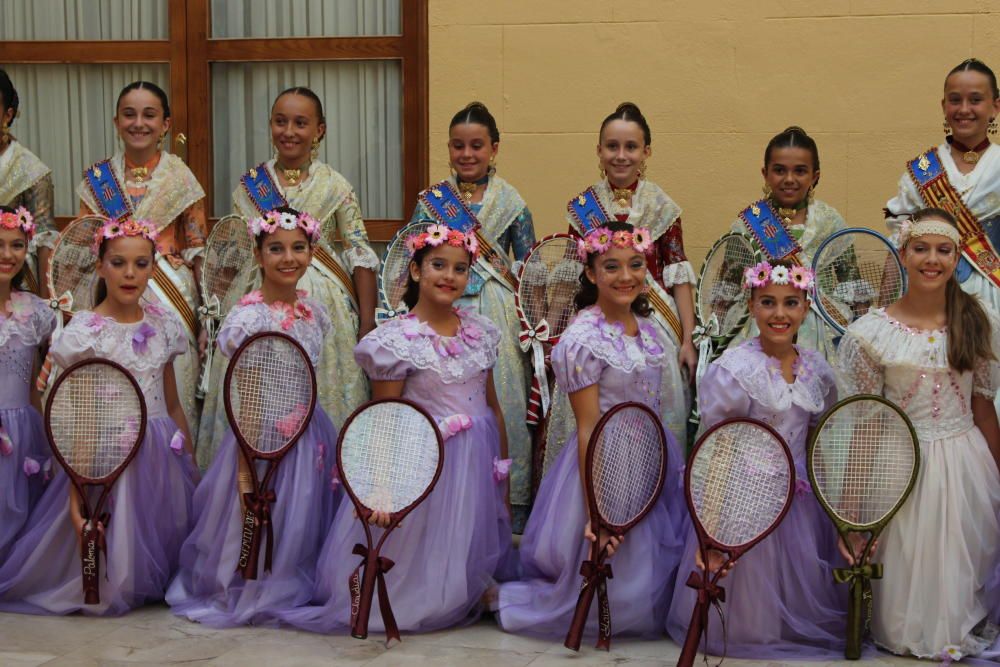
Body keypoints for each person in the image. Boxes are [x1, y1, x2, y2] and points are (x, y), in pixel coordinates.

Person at [279, 221, 514, 633]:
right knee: (418, 539)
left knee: (461, 531)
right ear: (417, 271)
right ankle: (422, 594)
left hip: (475, 457)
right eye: (438, 265)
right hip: (423, 458)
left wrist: (503, 474)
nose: (449, 276)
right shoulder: (397, 340)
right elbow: (383, 417)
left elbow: (492, 407)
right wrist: (381, 489)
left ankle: (460, 588)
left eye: (460, 269)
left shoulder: (481, 333)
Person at [497, 219, 686, 640]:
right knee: (606, 550)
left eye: (635, 265)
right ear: (590, 273)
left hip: (650, 454)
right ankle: (602, 611)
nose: (625, 277)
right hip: (605, 455)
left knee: (645, 547)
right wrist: (595, 507)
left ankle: (637, 609)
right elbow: (586, 428)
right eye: (612, 266)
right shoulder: (584, 337)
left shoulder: (651, 330)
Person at [0, 218, 196, 615]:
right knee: (115, 552)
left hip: (161, 452)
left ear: (153, 266)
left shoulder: (163, 323)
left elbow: (173, 403)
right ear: (101, 265)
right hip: (110, 456)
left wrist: (188, 459)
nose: (130, 274)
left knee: (162, 535)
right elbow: (83, 427)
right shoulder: (86, 333)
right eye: (119, 262)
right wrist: (79, 495)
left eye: (141, 264)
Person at [837, 208, 1000, 660]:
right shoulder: (872, 334)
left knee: (961, 569)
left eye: (944, 250)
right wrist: (851, 513)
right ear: (904, 254)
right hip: (898, 463)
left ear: (956, 257)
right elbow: (866, 425)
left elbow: (983, 406)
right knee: (905, 576)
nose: (932, 259)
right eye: (921, 249)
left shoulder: (976, 320)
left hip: (964, 461)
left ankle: (959, 628)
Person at [168, 207, 339, 627]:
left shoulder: (315, 313)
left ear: (312, 252)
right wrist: (248, 464)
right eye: (276, 249)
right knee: (260, 514)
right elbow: (246, 396)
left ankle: (292, 582)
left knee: (302, 514)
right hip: (260, 436)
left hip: (309, 432)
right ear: (259, 255)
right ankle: (255, 586)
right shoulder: (247, 319)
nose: (288, 258)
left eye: (299, 248)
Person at [666, 259, 845, 659]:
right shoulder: (735, 369)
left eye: (790, 303)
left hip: (799, 501)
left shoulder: (817, 369)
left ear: (806, 306)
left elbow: (816, 439)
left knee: (797, 589)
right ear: (751, 304)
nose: (779, 314)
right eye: (767, 302)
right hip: (744, 498)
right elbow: (716, 448)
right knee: (752, 616)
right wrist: (708, 525)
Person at [199, 86, 377, 468]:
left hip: (321, 313)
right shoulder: (250, 187)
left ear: (320, 130)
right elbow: (235, 253)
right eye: (281, 121)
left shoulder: (335, 185)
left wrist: (366, 322)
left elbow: (359, 251)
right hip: (259, 307)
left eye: (301, 123)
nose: (290, 131)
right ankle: (253, 476)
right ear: (270, 126)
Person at [407, 101, 535, 530]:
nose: (467, 154)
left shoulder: (511, 201)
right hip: (442, 308)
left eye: (477, 146)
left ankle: (506, 503)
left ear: (494, 149)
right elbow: (413, 252)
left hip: (495, 311)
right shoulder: (432, 202)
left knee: (500, 400)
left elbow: (528, 263)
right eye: (459, 146)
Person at [546, 103, 693, 475]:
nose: (621, 155)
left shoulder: (663, 206)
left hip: (654, 326)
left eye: (631, 147)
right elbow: (571, 273)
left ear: (647, 152)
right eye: (612, 146)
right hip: (597, 322)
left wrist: (688, 338)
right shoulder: (583, 207)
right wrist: (554, 327)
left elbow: (677, 273)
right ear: (599, 151)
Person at [77, 80, 206, 440]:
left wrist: (205, 318)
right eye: (129, 115)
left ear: (165, 124)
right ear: (116, 121)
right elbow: (87, 243)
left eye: (149, 115)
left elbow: (197, 246)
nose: (139, 123)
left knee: (169, 389)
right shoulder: (98, 180)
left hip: (171, 296)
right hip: (111, 293)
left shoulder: (181, 177)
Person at [727, 126, 854, 361]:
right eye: (779, 170)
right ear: (765, 173)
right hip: (757, 325)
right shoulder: (745, 225)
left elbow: (852, 286)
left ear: (815, 176)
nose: (789, 179)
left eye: (800, 171)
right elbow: (726, 289)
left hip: (820, 329)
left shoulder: (831, 222)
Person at [0, 206, 56, 560]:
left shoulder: (36, 312)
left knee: (21, 511)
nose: (7, 255)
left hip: (24, 430)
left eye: (17, 245)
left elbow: (35, 381)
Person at [0, 70, 57, 297]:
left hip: (14, 288)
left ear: (7, 115)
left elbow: (45, 239)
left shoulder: (30, 170)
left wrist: (47, 306)